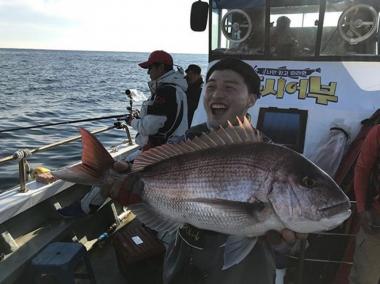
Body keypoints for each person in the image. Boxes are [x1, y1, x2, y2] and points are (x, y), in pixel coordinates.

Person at [109, 58, 305, 284]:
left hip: (242, 274)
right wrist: (132, 184)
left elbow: (293, 244)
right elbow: (153, 177)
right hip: (183, 261)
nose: (216, 94)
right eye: (210, 86)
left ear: (252, 99)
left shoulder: (271, 157)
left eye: (229, 87)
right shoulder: (191, 138)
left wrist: (285, 243)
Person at [57, 50, 189, 218]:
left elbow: (150, 127)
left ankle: (85, 208)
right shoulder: (178, 90)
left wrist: (131, 121)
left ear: (161, 67)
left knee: (111, 172)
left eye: (150, 67)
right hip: (170, 150)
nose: (148, 72)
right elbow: (166, 120)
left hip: (158, 152)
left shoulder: (166, 91)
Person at [350, 124, 380, 284]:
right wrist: (362, 208)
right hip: (376, 223)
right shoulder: (377, 132)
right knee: (365, 279)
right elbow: (362, 169)